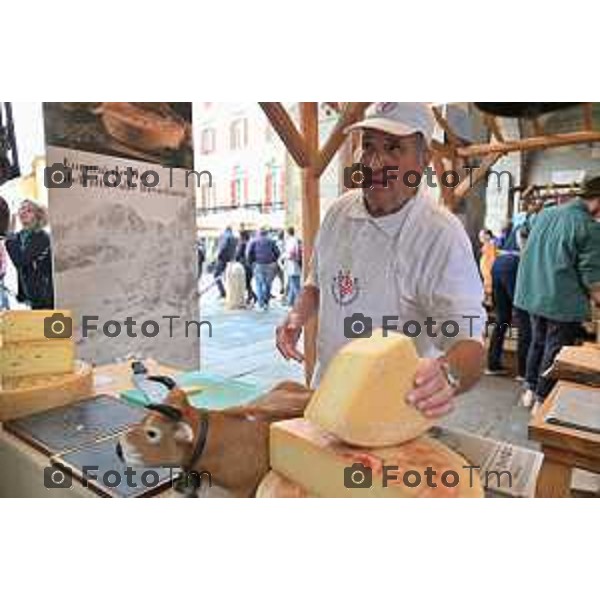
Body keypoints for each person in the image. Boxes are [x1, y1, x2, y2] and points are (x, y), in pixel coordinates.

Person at [276, 102, 486, 417]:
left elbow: (470, 342)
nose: (376, 162)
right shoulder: (338, 213)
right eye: (368, 146)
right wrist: (296, 316)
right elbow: (316, 283)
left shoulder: (440, 235)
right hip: (326, 392)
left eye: (393, 148)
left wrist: (448, 374)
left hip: (393, 411)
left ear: (424, 160)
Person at [514, 175, 600, 411]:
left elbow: (524, 234)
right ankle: (542, 399)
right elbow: (593, 278)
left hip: (533, 293)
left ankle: (530, 389)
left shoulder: (546, 213)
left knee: (537, 342)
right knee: (555, 350)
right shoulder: (589, 227)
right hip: (560, 300)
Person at [485, 226, 531, 380]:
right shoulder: (533, 224)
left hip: (498, 264)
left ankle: (493, 364)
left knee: (502, 318)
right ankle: (523, 372)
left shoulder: (519, 226)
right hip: (514, 265)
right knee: (524, 318)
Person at [5, 199, 54, 310]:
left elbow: (20, 260)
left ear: (38, 215)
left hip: (44, 297)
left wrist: (9, 238)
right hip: (31, 295)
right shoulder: (18, 236)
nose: (24, 212)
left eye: (29, 210)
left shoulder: (42, 237)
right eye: (22, 209)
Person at [247, 226, 280, 311]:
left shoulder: (254, 241)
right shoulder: (271, 241)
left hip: (258, 264)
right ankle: (266, 302)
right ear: (266, 233)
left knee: (259, 284)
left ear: (259, 233)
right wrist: (274, 260)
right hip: (270, 265)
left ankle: (261, 303)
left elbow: (249, 253)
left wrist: (251, 263)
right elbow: (277, 252)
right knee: (267, 284)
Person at [214, 226, 237, 299]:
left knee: (216, 275)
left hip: (222, 259)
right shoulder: (234, 237)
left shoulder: (224, 236)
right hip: (231, 260)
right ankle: (230, 292)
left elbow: (222, 246)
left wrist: (218, 255)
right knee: (228, 276)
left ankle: (223, 292)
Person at [235, 230, 257, 305]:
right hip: (250, 265)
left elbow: (238, 255)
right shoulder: (251, 243)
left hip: (244, 265)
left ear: (242, 236)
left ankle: (252, 296)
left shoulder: (242, 244)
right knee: (247, 282)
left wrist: (235, 259)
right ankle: (251, 296)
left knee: (246, 282)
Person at [284, 226, 302, 307]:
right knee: (292, 282)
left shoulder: (291, 241)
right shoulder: (295, 240)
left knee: (295, 284)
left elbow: (292, 253)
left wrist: (285, 256)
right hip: (295, 264)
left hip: (292, 264)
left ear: (287, 233)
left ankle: (300, 302)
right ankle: (290, 301)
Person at [478, 228, 497, 302]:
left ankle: (489, 301)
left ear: (488, 236)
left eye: (482, 235)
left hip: (488, 273)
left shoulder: (490, 246)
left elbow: (491, 260)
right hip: (486, 273)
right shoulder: (487, 246)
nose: (480, 237)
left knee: (488, 285)